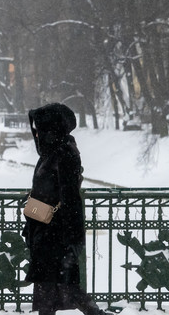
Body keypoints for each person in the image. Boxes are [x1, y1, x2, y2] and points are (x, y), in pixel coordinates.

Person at [22, 103, 109, 315]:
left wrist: (73, 241)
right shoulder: (51, 153)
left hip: (55, 234)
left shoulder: (64, 154)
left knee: (57, 286)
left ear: (52, 129)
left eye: (41, 129)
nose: (37, 134)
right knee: (56, 287)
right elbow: (50, 189)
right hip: (46, 232)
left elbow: (71, 198)